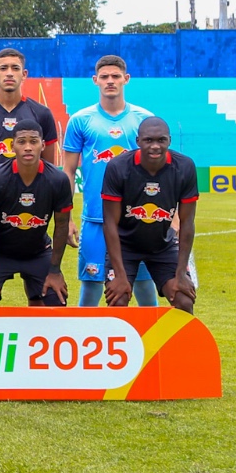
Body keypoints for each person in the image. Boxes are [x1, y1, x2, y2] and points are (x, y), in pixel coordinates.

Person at [61, 54, 160, 307]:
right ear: (95, 81)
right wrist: (67, 216)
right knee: (92, 287)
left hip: (137, 219)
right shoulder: (81, 120)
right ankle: (85, 342)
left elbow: (159, 172)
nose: (110, 81)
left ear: (126, 79)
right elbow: (69, 171)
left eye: (116, 76)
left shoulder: (144, 120)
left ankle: (153, 345)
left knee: (144, 286)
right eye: (104, 77)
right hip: (96, 217)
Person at [100, 117, 199, 312]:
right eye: (148, 140)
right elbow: (110, 222)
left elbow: (187, 223)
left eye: (161, 140)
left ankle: (171, 343)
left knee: (184, 300)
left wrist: (180, 274)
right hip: (125, 246)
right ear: (138, 141)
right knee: (118, 299)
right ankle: (125, 342)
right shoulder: (118, 167)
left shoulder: (184, 167)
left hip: (163, 245)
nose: (155, 146)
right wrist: (119, 275)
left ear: (169, 140)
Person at [0, 120, 73, 307]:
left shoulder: (57, 180)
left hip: (37, 252)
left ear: (42, 145)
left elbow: (61, 225)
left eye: (33, 141)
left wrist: (54, 271)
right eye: (22, 142)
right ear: (12, 146)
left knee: (56, 300)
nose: (28, 147)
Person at [0, 48, 60, 182]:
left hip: (30, 199)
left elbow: (48, 167)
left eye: (15, 68)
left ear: (24, 74)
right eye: (3, 68)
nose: (9, 73)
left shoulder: (42, 114)